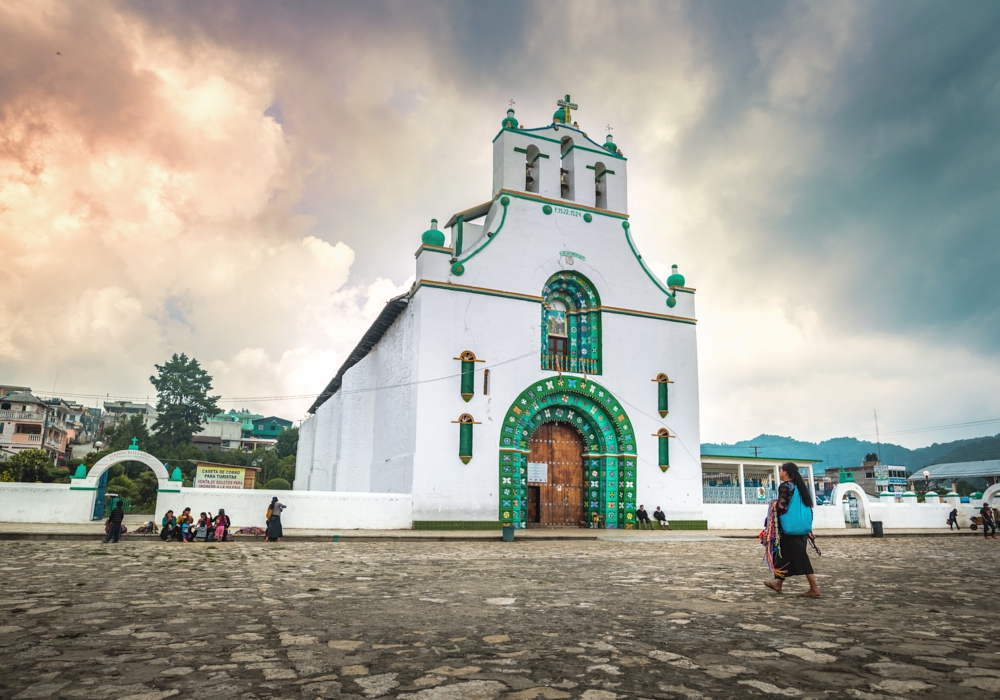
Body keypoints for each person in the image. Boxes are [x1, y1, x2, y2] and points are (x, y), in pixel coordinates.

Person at [764, 462, 821, 598]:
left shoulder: (785, 486)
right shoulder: (800, 487)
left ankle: (814, 588)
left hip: (789, 528)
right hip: (802, 527)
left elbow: (782, 506)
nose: (780, 473)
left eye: (781, 470)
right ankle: (778, 583)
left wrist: (773, 504)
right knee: (783, 555)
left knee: (801, 557)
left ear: (786, 472)